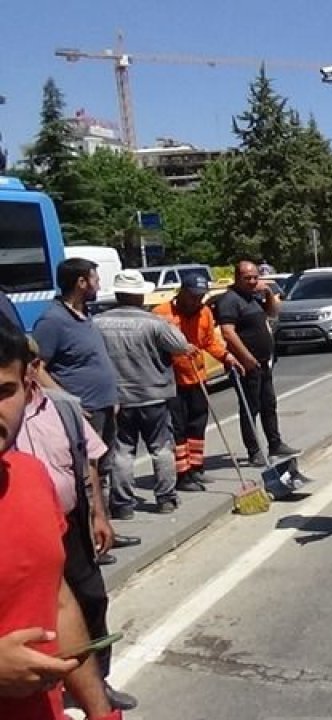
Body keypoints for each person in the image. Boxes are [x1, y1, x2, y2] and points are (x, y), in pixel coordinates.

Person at [0, 317, 119, 720]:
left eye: (4, 391)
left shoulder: (30, 477)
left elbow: (59, 601)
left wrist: (101, 714)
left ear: (27, 386)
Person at [30, 259, 129, 528]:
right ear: (81, 282)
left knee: (102, 472)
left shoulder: (85, 316)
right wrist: (69, 403)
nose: (99, 284)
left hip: (104, 407)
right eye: (95, 279)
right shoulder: (53, 321)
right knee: (86, 474)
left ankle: (104, 527)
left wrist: (113, 397)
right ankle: (89, 536)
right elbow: (37, 369)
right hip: (83, 411)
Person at [95, 270, 193, 517]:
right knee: (161, 448)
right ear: (140, 296)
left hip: (118, 398)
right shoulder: (155, 323)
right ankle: (166, 498)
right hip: (154, 395)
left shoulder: (97, 323)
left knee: (122, 451)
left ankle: (123, 504)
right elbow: (181, 346)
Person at [154, 275, 243, 491]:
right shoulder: (161, 314)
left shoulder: (204, 312)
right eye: (193, 296)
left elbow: (209, 342)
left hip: (197, 378)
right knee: (178, 428)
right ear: (182, 292)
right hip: (172, 381)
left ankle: (196, 468)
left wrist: (226, 357)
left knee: (197, 424)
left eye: (200, 297)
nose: (196, 301)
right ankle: (182, 474)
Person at [216, 261, 296, 465]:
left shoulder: (253, 297)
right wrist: (246, 357)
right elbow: (228, 332)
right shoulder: (230, 300)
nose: (252, 281)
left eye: (255, 277)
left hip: (263, 362)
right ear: (237, 278)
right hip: (246, 365)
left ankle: (275, 444)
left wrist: (268, 293)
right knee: (250, 407)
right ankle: (254, 451)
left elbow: (272, 313)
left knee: (268, 404)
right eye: (247, 278)